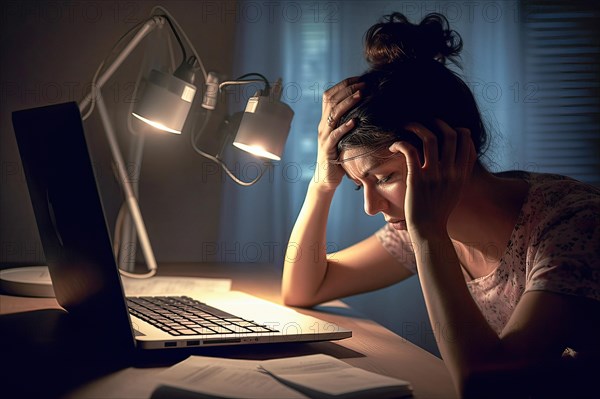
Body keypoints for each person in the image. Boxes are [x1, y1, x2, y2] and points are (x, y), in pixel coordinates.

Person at [281, 12, 599, 398]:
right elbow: (303, 288)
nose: (370, 205)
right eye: (357, 184)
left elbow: (486, 386)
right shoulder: (423, 228)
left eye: (384, 178)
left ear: (449, 150)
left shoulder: (572, 225)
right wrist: (321, 183)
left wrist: (429, 236)